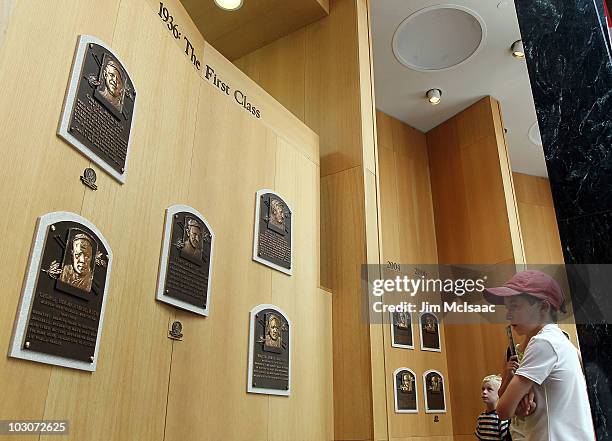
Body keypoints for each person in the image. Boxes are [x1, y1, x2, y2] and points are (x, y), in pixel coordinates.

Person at [484, 270, 595, 440]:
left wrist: (514, 404)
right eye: (507, 308)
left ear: (543, 307)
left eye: (514, 306)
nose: (507, 315)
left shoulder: (543, 343)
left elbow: (503, 410)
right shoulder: (561, 342)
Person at [475, 374, 511, 441]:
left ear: (499, 393)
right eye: (483, 389)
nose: (484, 392)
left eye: (489, 389)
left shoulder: (502, 418)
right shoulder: (481, 417)